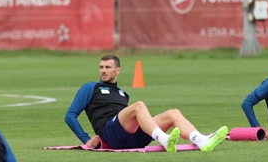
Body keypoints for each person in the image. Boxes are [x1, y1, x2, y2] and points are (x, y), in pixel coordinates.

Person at [65, 55, 228, 152]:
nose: (103, 70)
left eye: (108, 67)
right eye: (101, 67)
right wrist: (86, 139)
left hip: (132, 138)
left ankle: (201, 141)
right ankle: (164, 140)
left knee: (173, 113)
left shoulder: (123, 94)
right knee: (139, 106)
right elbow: (70, 116)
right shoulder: (91, 87)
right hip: (111, 133)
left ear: (117, 71)